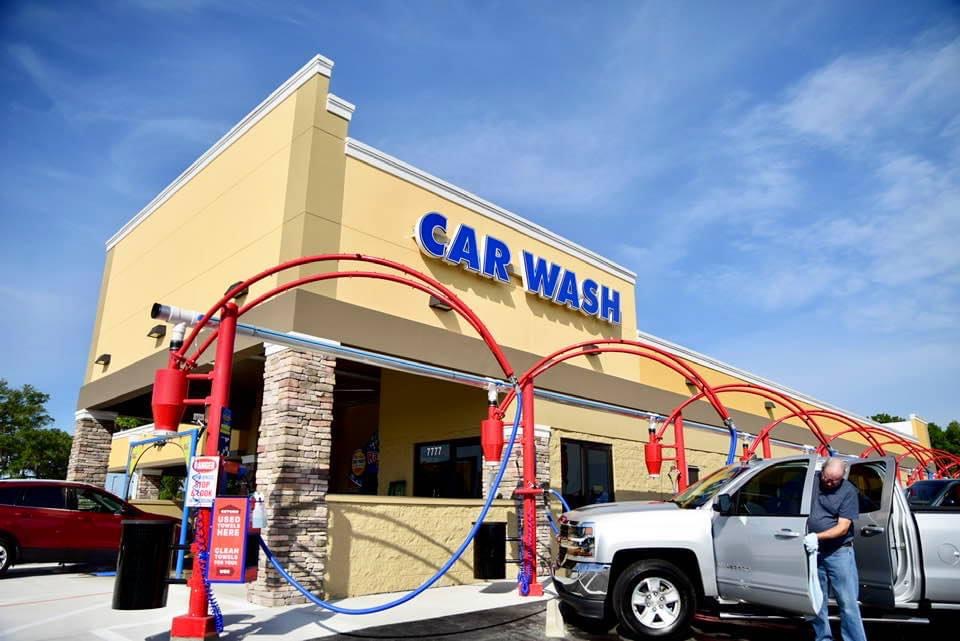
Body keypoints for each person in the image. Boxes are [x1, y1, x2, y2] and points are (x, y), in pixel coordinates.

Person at [806, 457, 867, 641]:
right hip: (815, 552)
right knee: (817, 600)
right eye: (826, 478)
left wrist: (816, 537)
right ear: (822, 471)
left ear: (843, 477)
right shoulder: (811, 481)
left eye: (835, 480)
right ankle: (823, 637)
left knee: (848, 603)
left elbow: (842, 527)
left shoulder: (848, 491)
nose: (829, 483)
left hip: (839, 552)